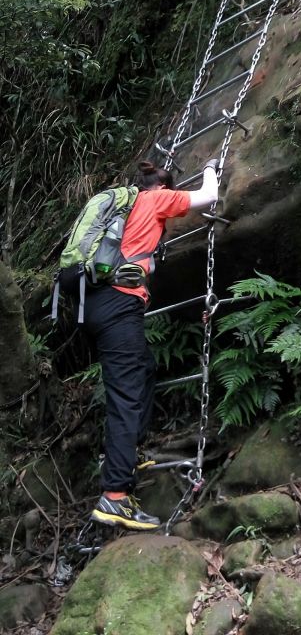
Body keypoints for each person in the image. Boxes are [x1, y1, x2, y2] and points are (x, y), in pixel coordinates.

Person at [84, 158, 219, 531]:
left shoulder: (123, 210)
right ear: (161, 188)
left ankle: (132, 453)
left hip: (97, 304)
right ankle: (115, 498)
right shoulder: (154, 200)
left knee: (143, 369)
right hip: (117, 304)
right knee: (126, 394)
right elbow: (209, 196)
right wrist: (210, 166)